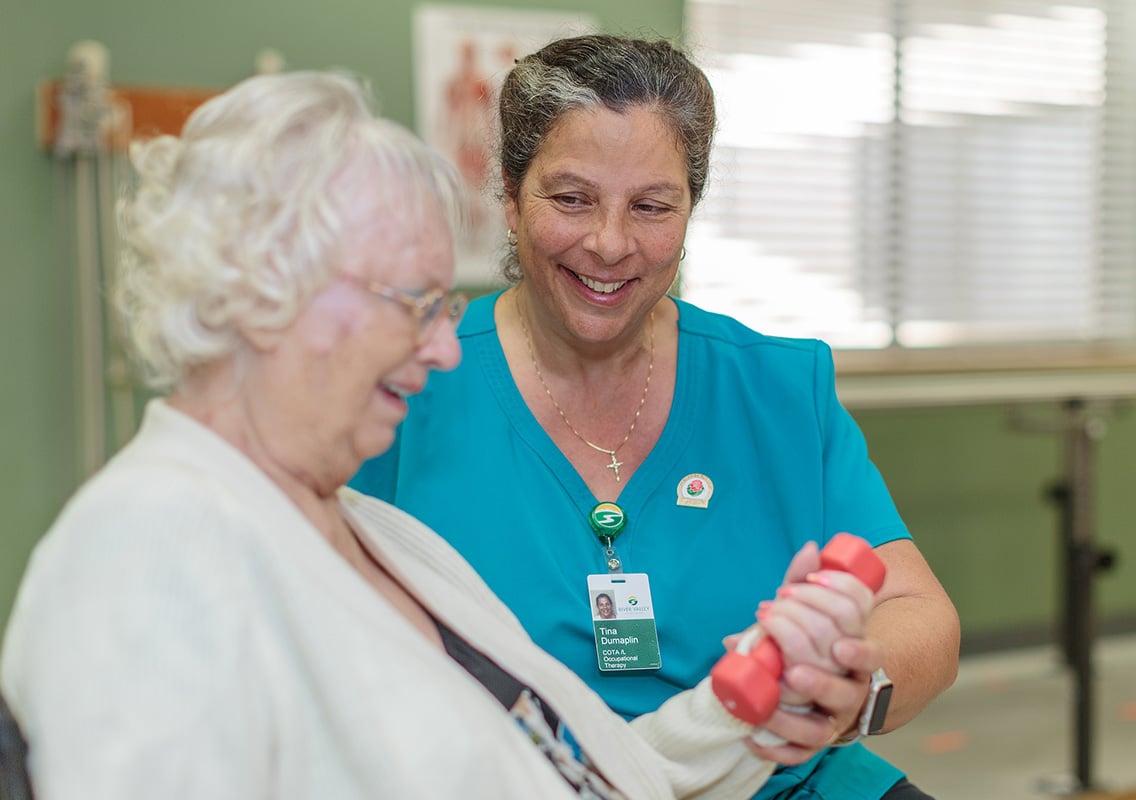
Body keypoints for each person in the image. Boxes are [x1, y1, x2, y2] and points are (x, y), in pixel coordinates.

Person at [0, 70, 877, 800]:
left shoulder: (374, 533)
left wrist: (747, 701)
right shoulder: (143, 552)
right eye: (414, 305)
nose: (443, 348)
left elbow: (575, 769)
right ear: (265, 292)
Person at [351, 34, 961, 800]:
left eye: (651, 207)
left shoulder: (776, 387)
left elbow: (920, 615)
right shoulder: (411, 384)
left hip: (779, 782)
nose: (610, 243)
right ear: (510, 196)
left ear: (690, 210)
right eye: (571, 199)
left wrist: (845, 685)